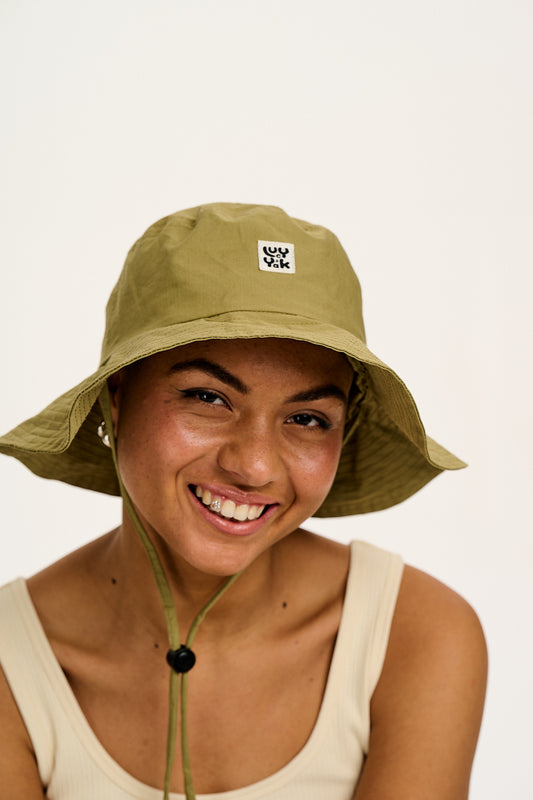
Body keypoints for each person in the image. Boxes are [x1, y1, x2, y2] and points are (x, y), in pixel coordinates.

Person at [0, 203, 487, 799]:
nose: (255, 466)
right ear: (116, 398)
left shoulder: (415, 636)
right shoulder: (12, 661)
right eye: (208, 397)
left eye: (307, 418)